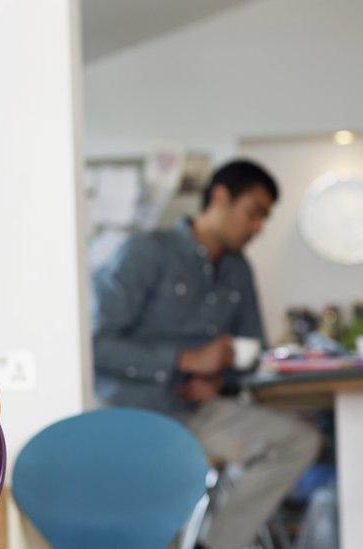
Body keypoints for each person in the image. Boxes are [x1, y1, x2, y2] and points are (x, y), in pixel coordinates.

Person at [93, 159, 322, 549]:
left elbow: (253, 354)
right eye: (254, 214)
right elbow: (98, 346)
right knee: (149, 519)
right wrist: (183, 360)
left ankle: (214, 546)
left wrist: (218, 379)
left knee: (299, 442)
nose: (258, 228)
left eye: (264, 219)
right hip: (138, 416)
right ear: (220, 197)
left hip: (203, 413)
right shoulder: (146, 252)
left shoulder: (238, 270)